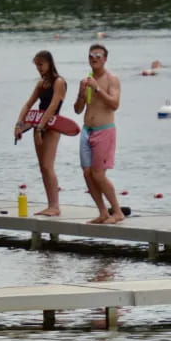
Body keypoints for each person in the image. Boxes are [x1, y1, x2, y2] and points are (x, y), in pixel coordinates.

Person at [73, 44, 125, 224]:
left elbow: (115, 104)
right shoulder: (86, 80)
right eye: (91, 56)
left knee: (98, 174)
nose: (94, 58)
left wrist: (97, 89)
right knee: (87, 174)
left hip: (104, 130)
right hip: (87, 131)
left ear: (105, 59)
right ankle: (103, 212)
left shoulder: (112, 79)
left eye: (98, 55)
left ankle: (117, 212)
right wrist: (81, 94)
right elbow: (78, 110)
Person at [13, 50, 67, 216]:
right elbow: (28, 104)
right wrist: (19, 124)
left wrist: (41, 127)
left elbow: (53, 105)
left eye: (41, 65)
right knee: (42, 167)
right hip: (38, 126)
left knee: (47, 166)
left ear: (49, 63)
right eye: (37, 65)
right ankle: (50, 204)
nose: (39, 68)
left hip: (51, 125)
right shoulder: (41, 84)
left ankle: (55, 206)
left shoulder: (59, 82)